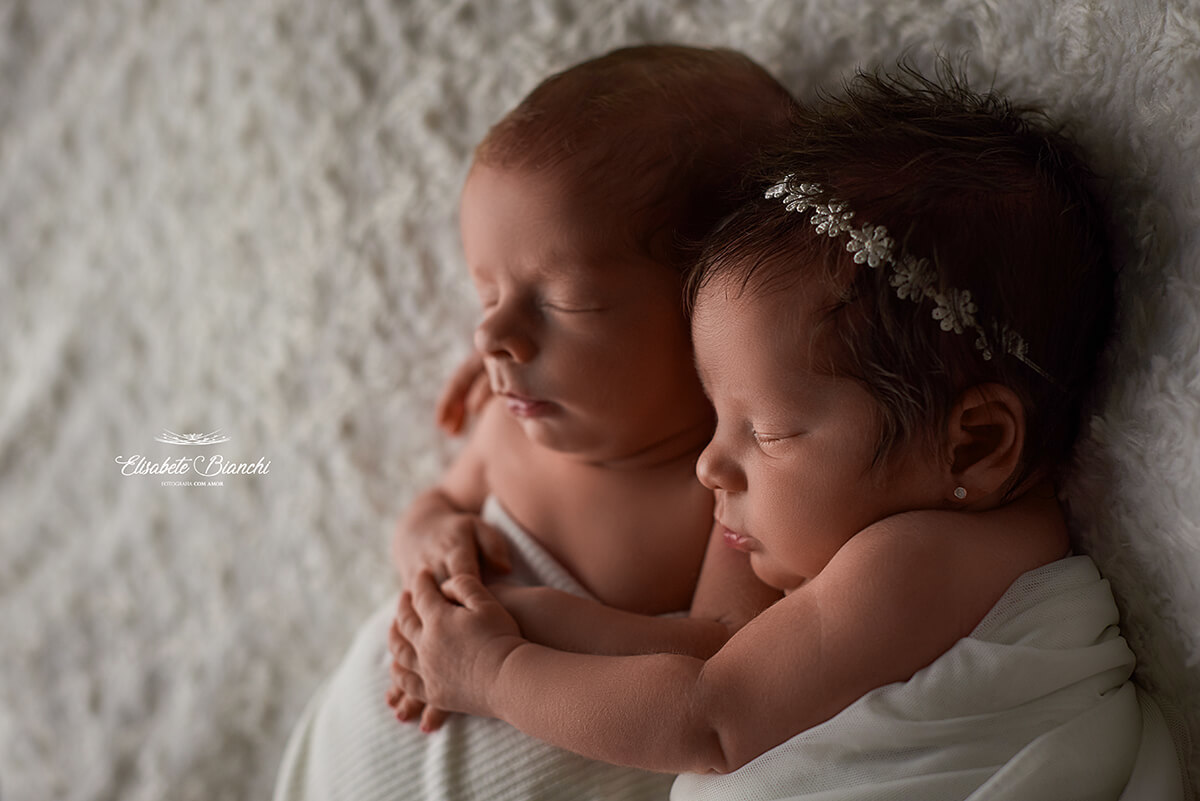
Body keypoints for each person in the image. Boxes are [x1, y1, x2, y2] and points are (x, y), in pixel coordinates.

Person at [389, 66, 1156, 799]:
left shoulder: (916, 560)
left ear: (975, 445)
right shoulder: (933, 542)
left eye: (768, 432)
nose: (709, 463)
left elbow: (709, 714)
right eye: (715, 413)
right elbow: (724, 663)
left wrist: (496, 674)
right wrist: (526, 615)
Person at [273, 44, 794, 801]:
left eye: (565, 303)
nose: (491, 337)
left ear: (714, 311)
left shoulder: (724, 493)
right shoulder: (507, 428)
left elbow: (722, 656)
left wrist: (532, 623)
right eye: (486, 294)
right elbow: (433, 507)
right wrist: (430, 540)